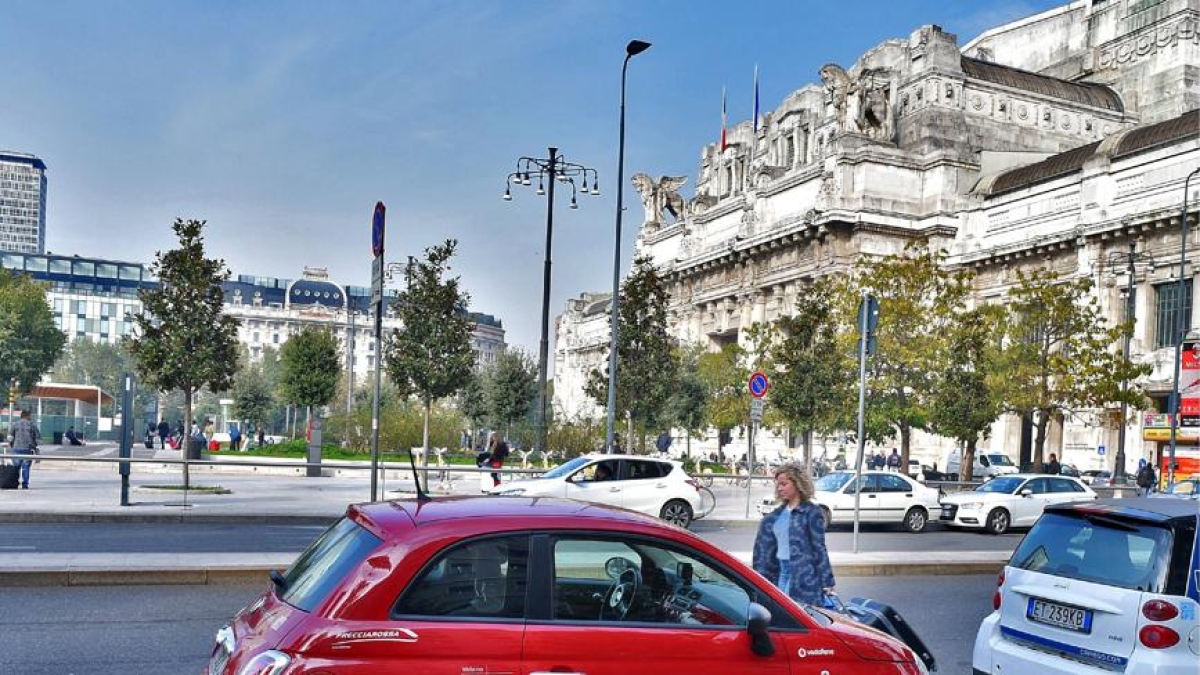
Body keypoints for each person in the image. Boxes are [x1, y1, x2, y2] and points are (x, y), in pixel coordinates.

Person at [752, 461, 836, 606]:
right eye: (778, 484)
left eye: (784, 484)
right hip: (780, 572)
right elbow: (764, 548)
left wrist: (827, 581)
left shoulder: (812, 512)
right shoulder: (776, 514)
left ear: (797, 483)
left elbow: (819, 547)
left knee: (792, 612)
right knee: (779, 610)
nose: (779, 488)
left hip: (803, 576)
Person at [10, 410, 40, 490]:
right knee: (25, 468)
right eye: (30, 416)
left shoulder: (15, 424)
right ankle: (25, 485)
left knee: (16, 468)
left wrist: (12, 445)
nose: (30, 417)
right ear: (27, 416)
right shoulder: (32, 425)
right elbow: (37, 438)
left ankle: (14, 483)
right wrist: (35, 447)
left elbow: (10, 437)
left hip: (16, 448)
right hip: (27, 448)